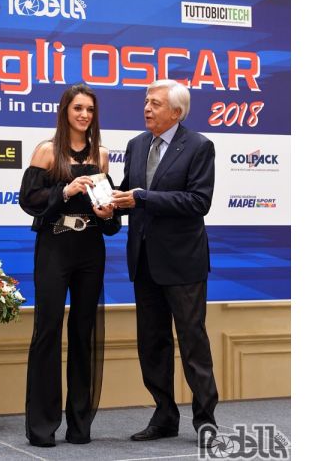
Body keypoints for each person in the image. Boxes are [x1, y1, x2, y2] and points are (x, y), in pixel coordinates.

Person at [111, 79, 219, 445]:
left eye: (155, 103)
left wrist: (142, 197)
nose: (146, 108)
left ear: (176, 111)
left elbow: (198, 202)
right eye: (146, 101)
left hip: (183, 264)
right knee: (152, 344)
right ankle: (164, 415)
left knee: (193, 344)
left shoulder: (199, 146)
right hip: (144, 262)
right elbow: (130, 194)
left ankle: (205, 421)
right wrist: (110, 203)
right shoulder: (136, 144)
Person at [19, 83, 121, 447]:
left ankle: (80, 426)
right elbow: (28, 200)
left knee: (83, 332)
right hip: (54, 246)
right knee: (47, 330)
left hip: (91, 249)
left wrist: (107, 213)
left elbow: (111, 219)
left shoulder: (101, 155)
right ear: (65, 111)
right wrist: (66, 190)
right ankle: (42, 427)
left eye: (90, 110)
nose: (84, 115)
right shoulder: (47, 151)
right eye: (78, 108)